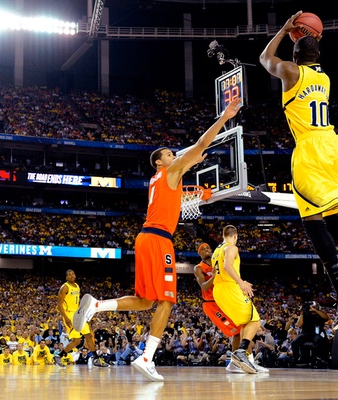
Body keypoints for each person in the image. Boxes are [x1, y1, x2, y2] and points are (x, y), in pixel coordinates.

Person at [73, 98, 242, 381]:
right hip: (159, 240)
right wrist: (225, 117)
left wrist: (188, 162)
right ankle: (147, 357)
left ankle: (97, 305)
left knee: (145, 300)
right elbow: (200, 144)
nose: (176, 155)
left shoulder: (159, 178)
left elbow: (189, 157)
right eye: (171, 153)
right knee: (166, 301)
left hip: (146, 238)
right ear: (159, 162)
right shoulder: (169, 171)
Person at [259, 11, 338, 330]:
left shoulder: (289, 72)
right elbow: (310, 53)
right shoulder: (323, 78)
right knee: (333, 216)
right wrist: (306, 39)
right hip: (335, 149)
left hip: (310, 151)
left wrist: (284, 30)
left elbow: (264, 58)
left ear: (295, 54)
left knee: (311, 221)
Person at [211, 225, 263, 374]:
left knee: (244, 323)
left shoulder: (216, 251)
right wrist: (241, 282)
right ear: (235, 236)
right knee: (255, 320)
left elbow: (215, 271)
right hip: (230, 287)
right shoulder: (232, 248)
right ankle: (241, 352)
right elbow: (227, 265)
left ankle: (242, 360)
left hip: (218, 290)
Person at [194, 242, 244, 373]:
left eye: (207, 247)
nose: (206, 249)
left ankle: (242, 360)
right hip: (211, 305)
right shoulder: (198, 268)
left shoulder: (218, 263)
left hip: (223, 301)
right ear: (199, 253)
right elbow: (204, 286)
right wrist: (214, 276)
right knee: (236, 331)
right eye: (203, 249)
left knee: (242, 328)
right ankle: (235, 362)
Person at [56, 269, 106, 368]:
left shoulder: (77, 286)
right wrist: (65, 318)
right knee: (77, 341)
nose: (71, 275)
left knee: (89, 336)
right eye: (69, 274)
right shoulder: (65, 287)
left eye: (73, 274)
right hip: (69, 314)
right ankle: (59, 356)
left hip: (78, 313)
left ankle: (95, 358)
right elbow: (59, 305)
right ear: (66, 277)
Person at [291, 300, 329, 365]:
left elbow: (326, 318)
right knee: (294, 342)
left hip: (316, 334)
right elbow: (299, 325)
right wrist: (302, 313)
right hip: (305, 334)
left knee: (319, 340)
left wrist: (315, 311)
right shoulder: (306, 314)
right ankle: (296, 359)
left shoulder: (319, 314)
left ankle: (319, 358)